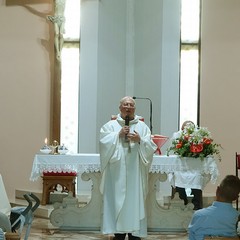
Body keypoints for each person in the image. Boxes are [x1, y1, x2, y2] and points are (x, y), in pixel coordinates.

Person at [99, 96, 157, 240]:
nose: (128, 107)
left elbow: (150, 147)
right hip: (116, 172)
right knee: (116, 199)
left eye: (131, 105)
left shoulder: (142, 127)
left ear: (134, 109)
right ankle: (118, 232)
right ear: (120, 107)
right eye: (125, 104)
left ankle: (134, 233)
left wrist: (140, 140)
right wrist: (117, 135)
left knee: (133, 200)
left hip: (135, 172)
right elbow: (103, 143)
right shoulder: (110, 126)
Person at [188, 175, 240, 240]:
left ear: (217, 190)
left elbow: (191, 237)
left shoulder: (198, 215)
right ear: (236, 198)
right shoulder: (235, 216)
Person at [171, 120, 203, 210]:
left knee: (197, 177)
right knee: (177, 176)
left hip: (194, 168)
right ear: (181, 129)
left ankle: (196, 204)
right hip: (180, 167)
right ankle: (183, 201)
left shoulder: (197, 137)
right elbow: (172, 151)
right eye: (186, 128)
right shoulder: (177, 136)